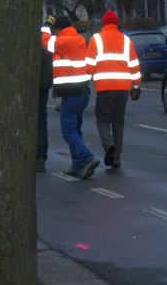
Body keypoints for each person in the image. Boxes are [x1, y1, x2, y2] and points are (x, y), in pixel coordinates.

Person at [85, 9, 141, 168]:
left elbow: (89, 66)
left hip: (104, 87)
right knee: (118, 121)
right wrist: (135, 86)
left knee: (103, 119)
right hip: (123, 87)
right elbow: (134, 66)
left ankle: (108, 143)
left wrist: (86, 83)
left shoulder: (96, 40)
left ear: (103, 24)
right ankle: (116, 157)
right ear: (116, 23)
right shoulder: (126, 40)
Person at [48, 15, 99, 179]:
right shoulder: (76, 38)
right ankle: (77, 165)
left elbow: (44, 41)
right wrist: (57, 87)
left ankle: (88, 157)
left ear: (58, 28)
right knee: (75, 130)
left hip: (72, 95)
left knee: (68, 131)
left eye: (53, 29)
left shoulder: (64, 40)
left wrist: (45, 24)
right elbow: (65, 68)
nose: (52, 32)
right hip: (80, 93)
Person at [36, 15, 55, 172]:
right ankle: (41, 156)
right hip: (43, 83)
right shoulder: (46, 38)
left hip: (32, 84)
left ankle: (37, 155)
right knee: (41, 121)